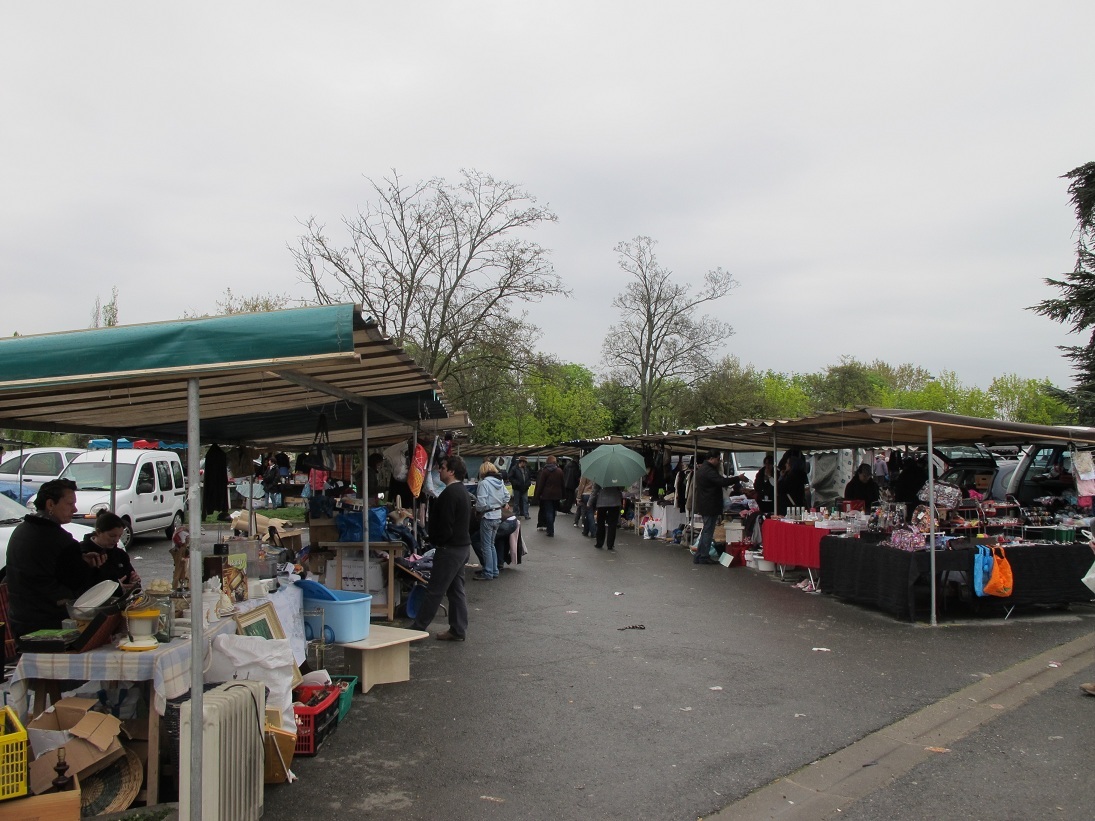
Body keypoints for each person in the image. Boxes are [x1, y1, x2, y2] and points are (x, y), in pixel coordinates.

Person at [6, 479, 106, 641]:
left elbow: (43, 567)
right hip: (50, 621)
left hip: (20, 617)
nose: (74, 509)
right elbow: (76, 582)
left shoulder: (21, 530)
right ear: (50, 504)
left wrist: (79, 560)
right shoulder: (60, 540)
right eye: (69, 504)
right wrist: (89, 567)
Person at [410, 455, 472, 641]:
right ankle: (458, 629)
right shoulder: (462, 491)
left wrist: (435, 540)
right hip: (461, 547)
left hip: (449, 549)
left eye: (443, 467)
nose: (439, 470)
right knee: (455, 590)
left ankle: (418, 628)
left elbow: (445, 526)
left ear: (451, 471)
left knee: (435, 590)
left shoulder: (449, 494)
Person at [693, 450, 746, 565]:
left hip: (705, 504)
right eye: (718, 459)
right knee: (708, 531)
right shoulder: (709, 471)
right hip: (710, 504)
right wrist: (738, 478)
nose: (719, 462)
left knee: (706, 530)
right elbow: (721, 481)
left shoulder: (702, 469)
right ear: (712, 458)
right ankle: (703, 556)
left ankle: (699, 555)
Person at [82, 510, 141, 588]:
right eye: (112, 536)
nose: (116, 540)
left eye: (119, 536)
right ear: (98, 532)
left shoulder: (121, 555)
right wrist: (115, 588)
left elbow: (132, 581)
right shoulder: (83, 552)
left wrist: (133, 582)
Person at [473, 461, 509, 580]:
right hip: (498, 515)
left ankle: (488, 571)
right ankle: (494, 570)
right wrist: (499, 504)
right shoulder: (500, 481)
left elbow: (481, 503)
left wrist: (479, 508)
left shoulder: (484, 483)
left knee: (486, 546)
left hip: (488, 516)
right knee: (491, 545)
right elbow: (507, 496)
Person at [533, 455, 565, 537]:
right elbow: (562, 484)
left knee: (548, 512)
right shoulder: (559, 471)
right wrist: (563, 495)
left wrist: (537, 495)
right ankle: (551, 528)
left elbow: (541, 484)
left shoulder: (545, 471)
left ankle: (550, 530)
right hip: (557, 495)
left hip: (546, 495)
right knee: (554, 512)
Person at [592, 483, 624, 550]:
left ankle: (599, 543)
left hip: (602, 502)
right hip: (615, 502)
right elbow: (622, 488)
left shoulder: (600, 475)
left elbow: (595, 490)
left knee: (600, 523)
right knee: (612, 524)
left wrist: (590, 502)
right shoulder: (617, 476)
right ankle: (610, 544)